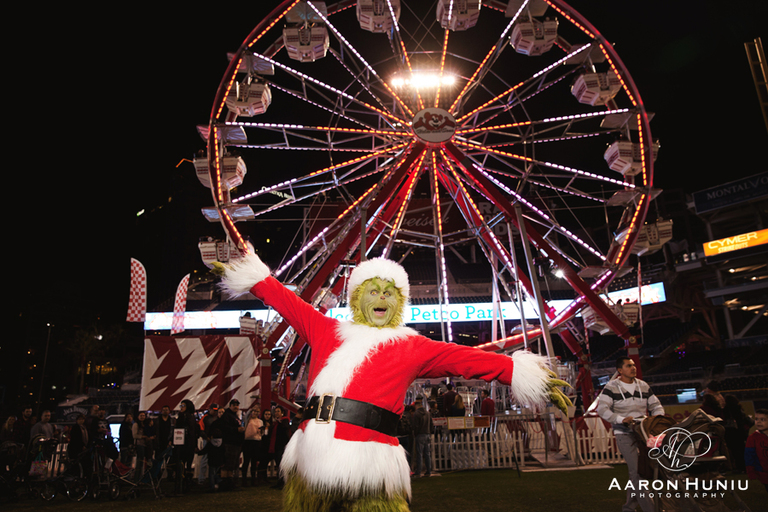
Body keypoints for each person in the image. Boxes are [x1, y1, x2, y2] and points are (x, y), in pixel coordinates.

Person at [216, 253, 569, 511]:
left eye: (389, 292)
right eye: (373, 290)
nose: (381, 297)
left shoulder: (413, 346)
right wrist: (252, 277)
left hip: (373, 465)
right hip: (311, 459)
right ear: (356, 298)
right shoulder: (324, 329)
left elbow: (466, 359)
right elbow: (285, 300)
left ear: (400, 302)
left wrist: (521, 373)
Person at [597, 357, 664, 512]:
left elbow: (656, 405)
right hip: (624, 433)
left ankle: (628, 508)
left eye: (633, 365)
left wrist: (657, 419)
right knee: (638, 473)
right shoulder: (611, 387)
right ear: (620, 370)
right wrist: (621, 420)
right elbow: (602, 409)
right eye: (629, 366)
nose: (633, 368)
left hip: (643, 433)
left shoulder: (643, 385)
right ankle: (652, 509)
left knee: (638, 471)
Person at [216, 398, 245, 490]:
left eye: (237, 405)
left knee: (232, 464)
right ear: (230, 406)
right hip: (230, 443)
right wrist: (236, 429)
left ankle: (229, 481)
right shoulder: (227, 415)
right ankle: (225, 482)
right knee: (228, 463)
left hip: (235, 443)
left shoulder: (233, 415)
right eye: (234, 405)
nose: (236, 406)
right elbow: (224, 428)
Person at [173, 399, 199, 495]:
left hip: (185, 444)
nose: (181, 408)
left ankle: (183, 485)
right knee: (186, 465)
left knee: (183, 464)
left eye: (183, 406)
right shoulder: (191, 417)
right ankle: (185, 484)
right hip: (188, 444)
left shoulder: (185, 416)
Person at [723, 395, 753, 473]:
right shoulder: (739, 408)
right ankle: (746, 467)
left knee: (735, 451)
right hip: (740, 432)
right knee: (742, 449)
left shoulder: (726, 409)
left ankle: (740, 467)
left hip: (731, 432)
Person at [745, 408, 768, 493]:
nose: (758, 422)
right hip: (764, 473)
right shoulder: (752, 438)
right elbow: (749, 456)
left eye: (762, 419)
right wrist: (751, 471)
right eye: (756, 419)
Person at [197, 403, 219, 486]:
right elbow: (201, 429)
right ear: (210, 409)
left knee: (214, 460)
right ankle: (201, 479)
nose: (215, 412)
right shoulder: (205, 418)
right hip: (208, 440)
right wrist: (206, 437)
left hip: (215, 440)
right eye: (214, 410)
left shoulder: (216, 417)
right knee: (205, 459)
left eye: (216, 410)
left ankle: (212, 478)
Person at [411, 395, 433, 478]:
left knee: (419, 454)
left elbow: (415, 426)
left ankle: (418, 471)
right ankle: (428, 470)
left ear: (416, 406)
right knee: (427, 454)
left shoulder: (416, 414)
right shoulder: (427, 413)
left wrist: (415, 434)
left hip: (420, 435)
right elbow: (431, 424)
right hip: (427, 434)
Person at [241, 406, 263, 486]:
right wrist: (251, 409)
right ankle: (244, 479)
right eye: (254, 411)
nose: (255, 413)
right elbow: (246, 415)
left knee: (254, 462)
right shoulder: (248, 419)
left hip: (256, 441)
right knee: (246, 461)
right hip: (248, 442)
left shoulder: (260, 421)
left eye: (257, 411)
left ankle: (253, 479)